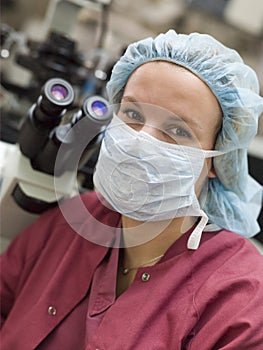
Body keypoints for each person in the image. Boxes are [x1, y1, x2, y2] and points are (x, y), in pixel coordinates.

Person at [1, 30, 263, 349]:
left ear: (215, 162)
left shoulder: (240, 295)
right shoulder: (70, 225)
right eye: (133, 114)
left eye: (177, 130)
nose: (142, 141)